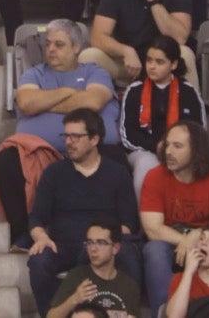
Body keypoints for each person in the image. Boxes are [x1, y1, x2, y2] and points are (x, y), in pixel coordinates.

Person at [0, 19, 117, 238]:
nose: (50, 49)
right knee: (6, 160)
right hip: (39, 151)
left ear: (76, 47)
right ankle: (22, 233)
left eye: (59, 45)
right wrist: (68, 91)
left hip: (92, 151)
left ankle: (112, 234)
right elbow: (26, 103)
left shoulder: (95, 72)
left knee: (116, 159)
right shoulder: (34, 74)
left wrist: (45, 103)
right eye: (48, 44)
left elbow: (92, 103)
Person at [28, 107, 142, 315]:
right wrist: (41, 237)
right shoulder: (54, 173)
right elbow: (36, 218)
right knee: (38, 260)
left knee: (126, 252)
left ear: (94, 139)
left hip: (100, 243)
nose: (68, 142)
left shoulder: (117, 173)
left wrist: (105, 241)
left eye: (76, 136)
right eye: (66, 136)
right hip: (62, 245)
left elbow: (129, 223)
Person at [141, 122, 209, 313]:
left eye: (177, 146)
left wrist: (198, 235)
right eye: (167, 144)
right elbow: (153, 228)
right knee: (154, 250)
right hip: (169, 242)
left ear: (196, 150)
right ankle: (163, 313)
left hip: (206, 241)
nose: (169, 151)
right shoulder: (155, 176)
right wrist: (185, 240)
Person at [118, 36, 206, 195]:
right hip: (143, 151)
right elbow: (128, 135)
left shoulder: (188, 92)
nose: (152, 66)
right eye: (149, 60)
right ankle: (144, 219)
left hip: (182, 150)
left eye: (159, 62)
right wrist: (157, 147)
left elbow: (198, 131)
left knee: (190, 166)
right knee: (147, 168)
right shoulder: (134, 90)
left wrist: (174, 148)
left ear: (173, 64)